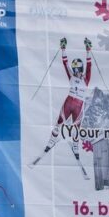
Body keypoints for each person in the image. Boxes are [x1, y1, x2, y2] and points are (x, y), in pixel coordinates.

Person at [32, 37, 93, 169]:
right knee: (58, 123)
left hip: (79, 106)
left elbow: (89, 65)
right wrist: (63, 48)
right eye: (74, 69)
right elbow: (65, 63)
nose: (76, 72)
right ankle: (51, 141)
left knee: (76, 129)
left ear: (81, 69)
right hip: (69, 102)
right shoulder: (71, 76)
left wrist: (88, 50)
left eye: (78, 69)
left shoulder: (86, 79)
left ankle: (76, 148)